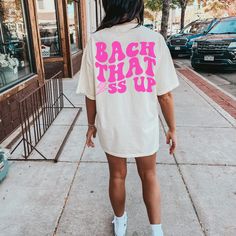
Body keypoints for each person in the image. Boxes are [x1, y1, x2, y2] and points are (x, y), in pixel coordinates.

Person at [76, 0, 179, 235]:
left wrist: (91, 125)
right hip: (144, 124)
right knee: (149, 175)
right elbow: (165, 95)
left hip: (112, 125)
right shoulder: (154, 40)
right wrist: (172, 128)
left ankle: (120, 224)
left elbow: (91, 95)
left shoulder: (96, 41)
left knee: (117, 176)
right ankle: (157, 231)